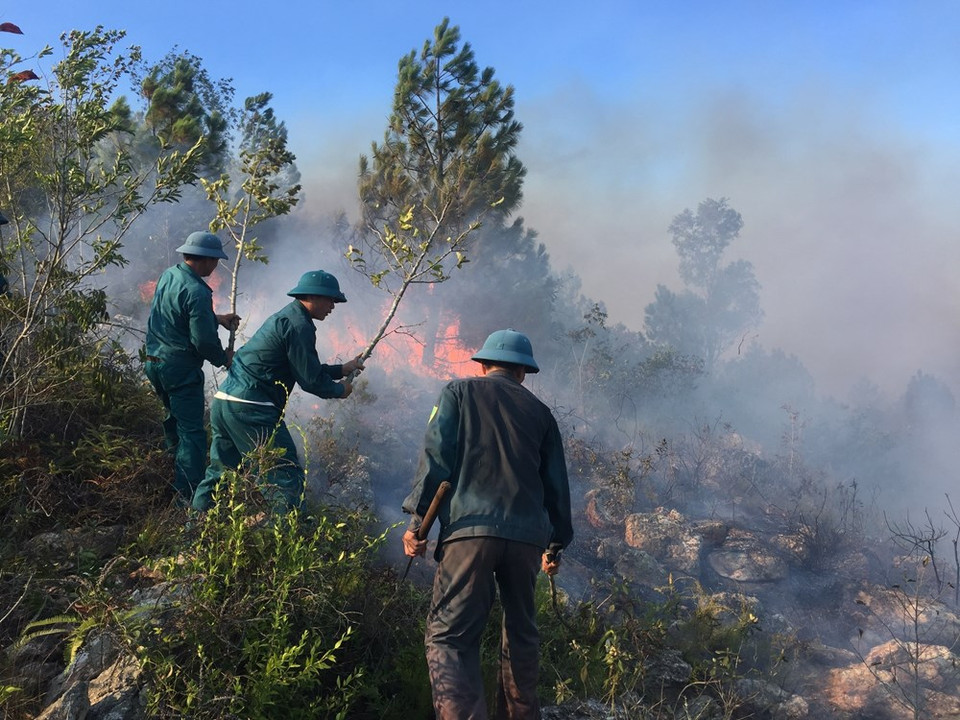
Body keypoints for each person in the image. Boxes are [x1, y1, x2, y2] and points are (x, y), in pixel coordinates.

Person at [402, 328, 573, 720]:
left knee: (450, 636)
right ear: (523, 373)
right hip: (528, 540)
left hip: (469, 531)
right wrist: (555, 545)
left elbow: (436, 458)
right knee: (521, 636)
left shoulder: (458, 393)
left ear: (482, 365)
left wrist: (417, 524)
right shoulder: (541, 415)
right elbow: (556, 487)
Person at [191, 269, 364, 513]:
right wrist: (340, 390)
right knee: (284, 476)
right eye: (330, 299)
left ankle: (192, 532)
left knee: (219, 473)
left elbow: (304, 368)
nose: (333, 306)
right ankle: (284, 541)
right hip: (253, 410)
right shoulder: (298, 325)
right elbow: (311, 381)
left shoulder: (286, 318)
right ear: (313, 297)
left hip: (226, 402)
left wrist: (341, 369)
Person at [144, 231, 239, 505]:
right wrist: (225, 358)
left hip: (154, 362)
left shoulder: (169, 274)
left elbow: (176, 311)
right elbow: (203, 342)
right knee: (193, 433)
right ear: (206, 260)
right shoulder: (198, 291)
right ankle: (186, 496)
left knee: (173, 418)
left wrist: (216, 318)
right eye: (215, 261)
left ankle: (170, 470)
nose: (215, 266)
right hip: (180, 369)